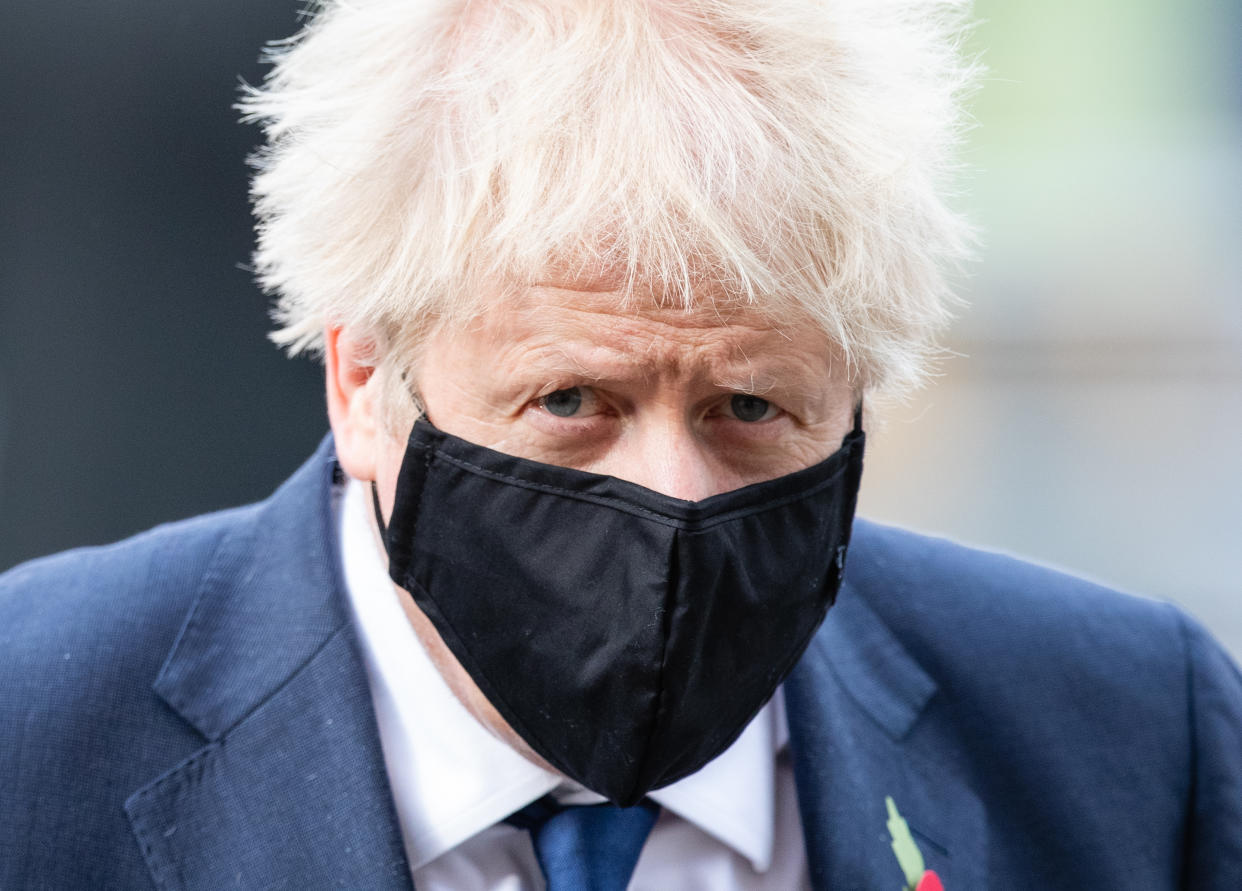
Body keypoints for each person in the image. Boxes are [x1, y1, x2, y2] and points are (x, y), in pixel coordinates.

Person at [1, 0, 1239, 888]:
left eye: (748, 407)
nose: (673, 494)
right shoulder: (30, 735)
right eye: (573, 400)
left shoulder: (1126, 740)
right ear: (364, 380)